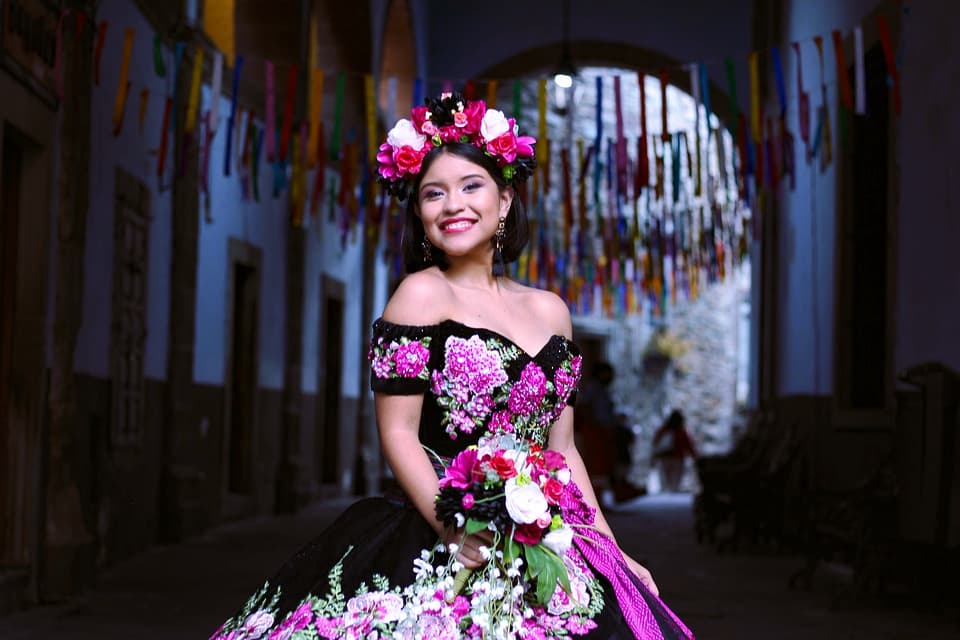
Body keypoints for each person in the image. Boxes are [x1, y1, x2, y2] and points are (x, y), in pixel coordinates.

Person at [209, 91, 693, 639]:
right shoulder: (419, 296)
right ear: (419, 211)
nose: (452, 205)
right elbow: (398, 433)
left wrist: (611, 551)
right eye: (433, 193)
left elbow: (562, 452)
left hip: (547, 536)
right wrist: (450, 529)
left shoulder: (551, 310)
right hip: (447, 530)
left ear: (505, 200)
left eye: (471, 186)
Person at [651, 410, 698, 493]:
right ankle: (672, 495)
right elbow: (689, 445)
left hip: (664, 458)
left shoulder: (663, 430)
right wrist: (695, 456)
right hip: (678, 459)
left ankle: (665, 495)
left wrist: (654, 456)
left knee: (665, 479)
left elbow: (655, 443)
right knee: (675, 480)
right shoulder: (681, 432)